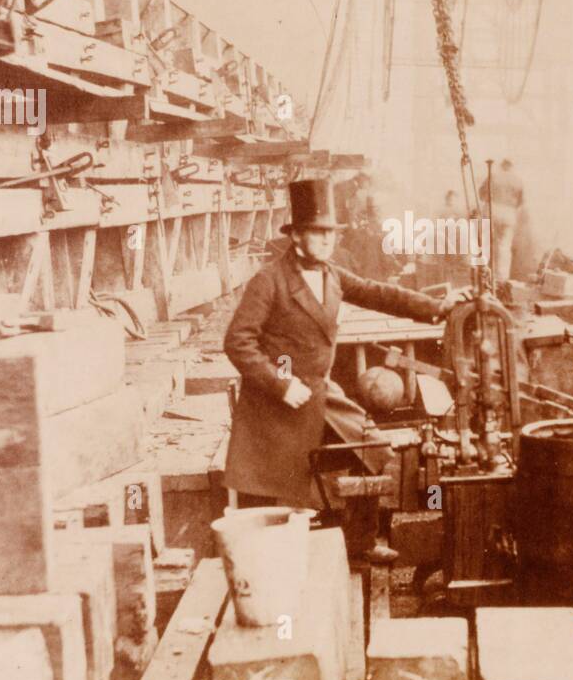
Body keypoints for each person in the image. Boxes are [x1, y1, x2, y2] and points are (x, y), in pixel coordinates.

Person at [223, 178, 462, 509]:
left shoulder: (330, 274)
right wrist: (281, 384)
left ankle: (361, 543)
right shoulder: (269, 281)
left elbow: (377, 292)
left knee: (374, 451)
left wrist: (437, 307)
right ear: (295, 235)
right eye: (317, 231)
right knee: (276, 501)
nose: (326, 239)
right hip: (276, 406)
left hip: (321, 393)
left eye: (331, 232)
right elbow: (238, 341)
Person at [477, 159, 524, 281]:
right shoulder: (518, 180)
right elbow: (520, 201)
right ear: (511, 166)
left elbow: (481, 194)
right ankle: (501, 279)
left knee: (487, 243)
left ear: (502, 165)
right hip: (508, 213)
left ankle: (484, 276)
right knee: (504, 246)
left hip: (492, 209)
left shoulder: (493, 176)